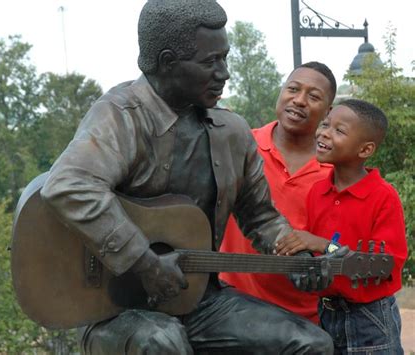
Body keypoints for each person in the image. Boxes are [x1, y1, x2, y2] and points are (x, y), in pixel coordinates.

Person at [40, 0, 336, 353]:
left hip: (202, 302)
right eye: (211, 61)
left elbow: (260, 217)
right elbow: (69, 184)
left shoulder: (232, 131)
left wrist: (297, 256)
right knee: (164, 343)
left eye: (224, 58)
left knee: (311, 344)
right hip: (113, 310)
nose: (224, 72)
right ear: (167, 62)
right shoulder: (121, 115)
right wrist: (143, 261)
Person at [276, 99, 408, 354]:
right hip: (326, 313)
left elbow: (385, 265)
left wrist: (324, 245)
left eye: (339, 130)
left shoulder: (383, 196)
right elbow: (315, 256)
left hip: (370, 319)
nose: (324, 133)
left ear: (365, 149)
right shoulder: (318, 192)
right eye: (326, 124)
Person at [220, 61, 336, 323]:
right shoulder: (240, 146)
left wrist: (321, 246)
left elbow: (340, 243)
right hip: (231, 312)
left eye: (313, 96)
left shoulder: (336, 171)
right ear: (281, 92)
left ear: (328, 111)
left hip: (308, 320)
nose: (299, 100)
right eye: (293, 89)